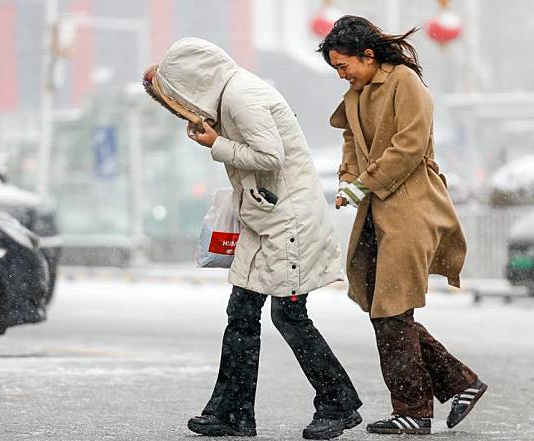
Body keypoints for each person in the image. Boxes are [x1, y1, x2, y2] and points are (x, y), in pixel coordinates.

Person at [143, 38, 362, 440]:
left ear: (193, 82)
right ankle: (232, 413)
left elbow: (269, 157)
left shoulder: (241, 98)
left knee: (289, 316)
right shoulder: (234, 92)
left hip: (287, 225)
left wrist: (217, 145)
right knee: (242, 314)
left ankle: (338, 402)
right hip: (266, 222)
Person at [318, 16, 488, 435]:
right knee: (384, 311)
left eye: (346, 65)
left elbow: (409, 145)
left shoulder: (404, 83)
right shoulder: (355, 96)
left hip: (412, 207)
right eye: (337, 69)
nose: (343, 75)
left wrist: (365, 184)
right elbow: (352, 147)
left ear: (369, 55)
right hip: (375, 211)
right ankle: (459, 382)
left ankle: (414, 409)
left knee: (391, 311)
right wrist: (347, 182)